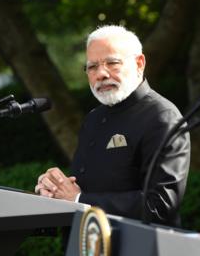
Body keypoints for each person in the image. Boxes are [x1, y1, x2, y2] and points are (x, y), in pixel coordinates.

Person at [34, 25, 190, 227]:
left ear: (139, 63)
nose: (101, 74)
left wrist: (79, 200)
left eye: (112, 63)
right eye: (92, 67)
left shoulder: (162, 117)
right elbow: (83, 189)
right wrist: (55, 190)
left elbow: (160, 204)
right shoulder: (93, 118)